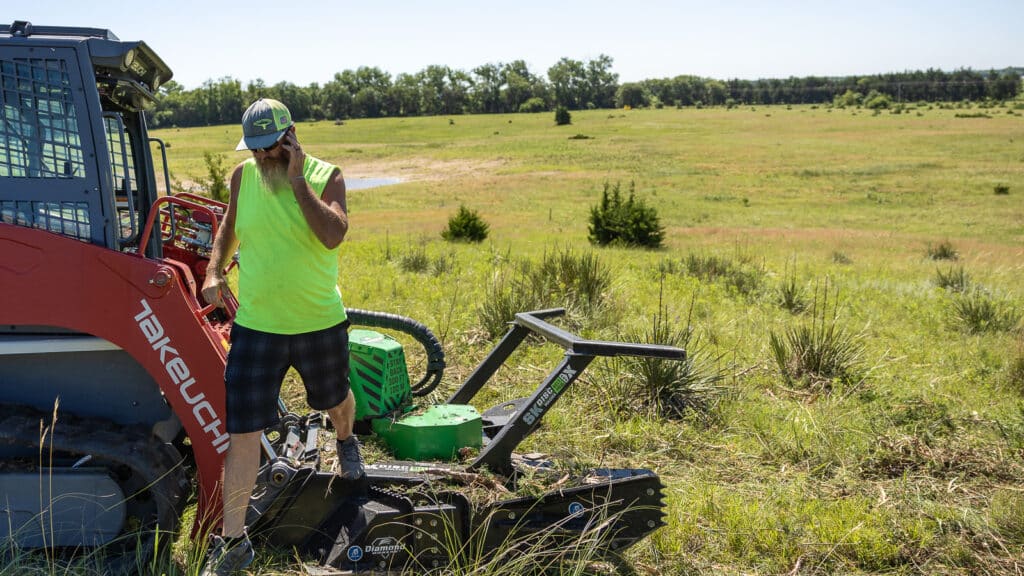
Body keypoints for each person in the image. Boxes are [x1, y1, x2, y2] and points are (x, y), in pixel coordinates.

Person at [198, 98, 364, 576]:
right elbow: (230, 225)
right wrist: (213, 270)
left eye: (270, 149)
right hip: (257, 326)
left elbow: (333, 234)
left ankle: (347, 440)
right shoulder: (242, 176)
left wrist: (295, 180)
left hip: (317, 321)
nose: (262, 158)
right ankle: (234, 542)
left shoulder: (325, 176)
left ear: (291, 137)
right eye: (255, 151)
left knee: (334, 400)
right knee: (243, 431)